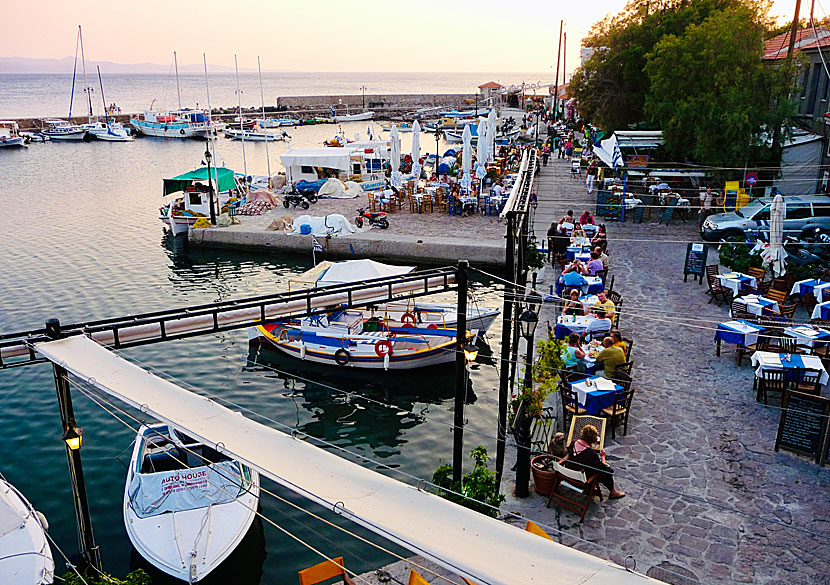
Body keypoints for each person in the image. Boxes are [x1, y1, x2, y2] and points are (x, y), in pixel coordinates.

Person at [564, 424, 625, 499]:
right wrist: (603, 457)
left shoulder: (573, 443)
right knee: (608, 471)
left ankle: (597, 488)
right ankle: (613, 492)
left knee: (593, 467)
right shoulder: (590, 454)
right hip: (582, 479)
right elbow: (602, 468)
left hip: (570, 472)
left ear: (582, 434)